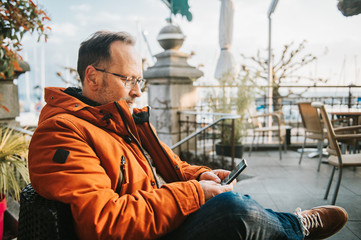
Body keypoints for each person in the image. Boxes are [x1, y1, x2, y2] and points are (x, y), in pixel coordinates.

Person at [28, 30, 348, 240]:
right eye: (129, 80)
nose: (138, 92)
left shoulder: (118, 119)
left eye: (141, 81)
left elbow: (167, 169)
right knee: (233, 211)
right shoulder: (61, 132)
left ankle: (283, 224)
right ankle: (296, 227)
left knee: (232, 203)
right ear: (92, 77)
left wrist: (201, 175)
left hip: (158, 221)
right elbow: (106, 222)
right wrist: (198, 193)